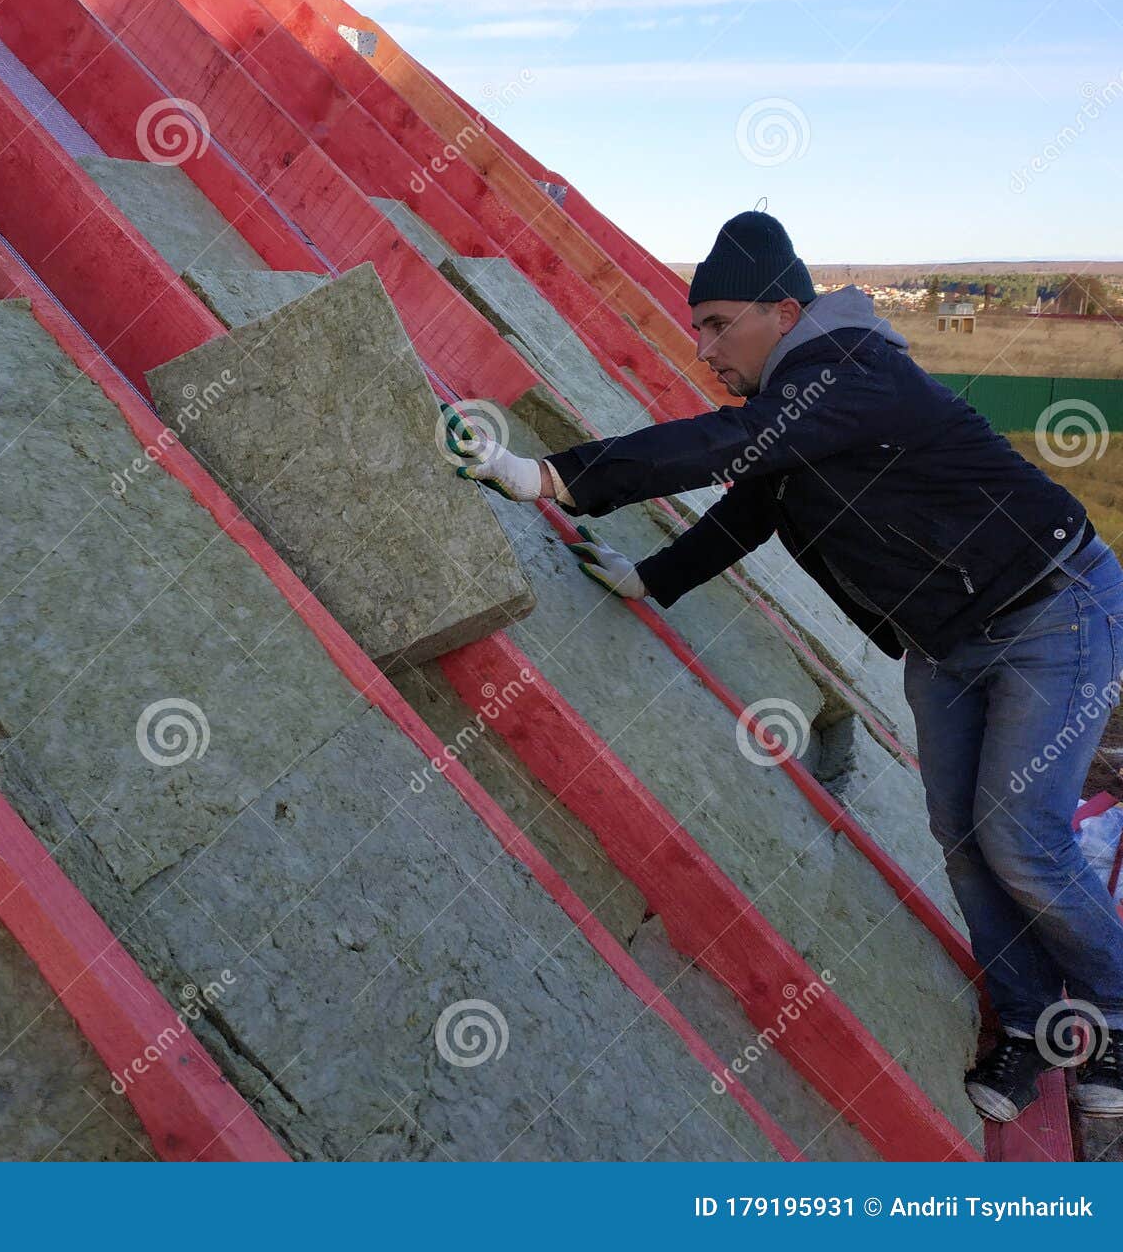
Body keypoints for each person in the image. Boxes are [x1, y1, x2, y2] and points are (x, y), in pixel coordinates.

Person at [447, 210, 1123, 1124]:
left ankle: (1112, 1016)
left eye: (721, 324)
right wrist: (653, 579)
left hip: (1053, 609)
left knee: (1022, 834)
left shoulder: (853, 373)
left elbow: (728, 445)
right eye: (697, 329)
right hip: (947, 637)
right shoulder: (805, 403)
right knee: (963, 837)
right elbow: (755, 504)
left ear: (786, 311)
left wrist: (553, 477)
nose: (705, 348)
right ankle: (1033, 1022)